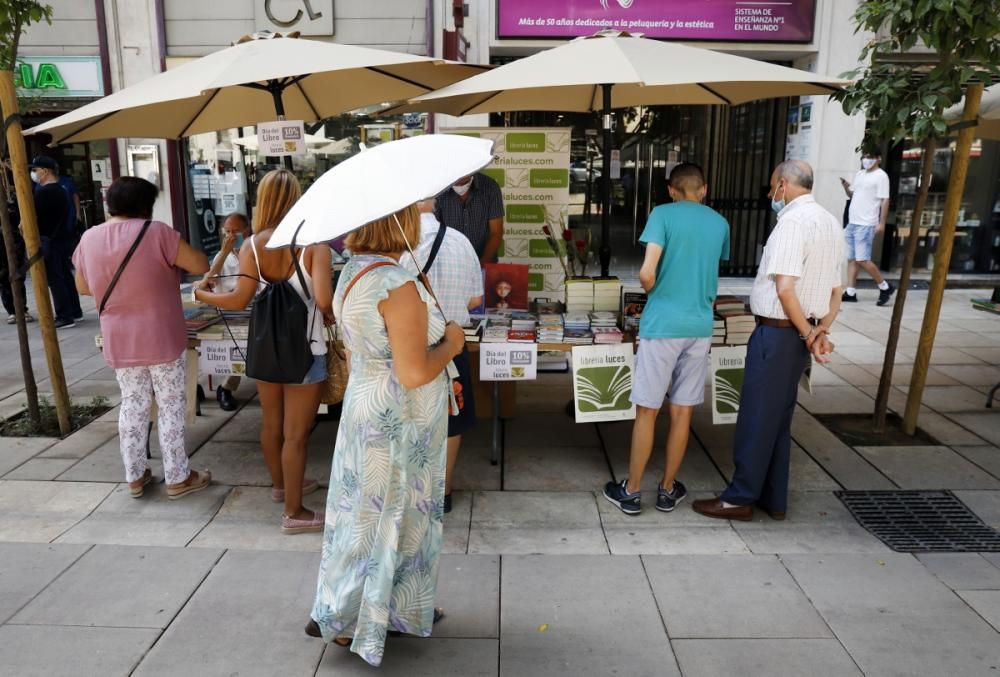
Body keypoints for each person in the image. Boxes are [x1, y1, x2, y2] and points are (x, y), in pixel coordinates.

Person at [305, 204, 465, 665]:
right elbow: (414, 371)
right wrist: (452, 342)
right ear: (398, 222)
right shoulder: (396, 285)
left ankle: (350, 611)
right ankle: (363, 617)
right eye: (413, 212)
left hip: (366, 409)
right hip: (400, 423)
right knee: (395, 512)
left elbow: (365, 353)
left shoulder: (354, 272)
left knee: (361, 514)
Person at [693, 160, 841, 522]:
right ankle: (773, 498)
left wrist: (809, 334)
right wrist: (821, 329)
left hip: (778, 333)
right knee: (777, 419)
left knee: (758, 417)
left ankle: (740, 497)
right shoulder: (829, 220)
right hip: (800, 332)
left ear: (784, 184)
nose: (769, 193)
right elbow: (837, 287)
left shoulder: (792, 223)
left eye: (772, 185)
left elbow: (785, 287)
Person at [194, 170, 330, 534]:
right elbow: (324, 301)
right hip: (307, 348)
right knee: (297, 434)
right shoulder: (314, 244)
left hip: (266, 348)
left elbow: (239, 300)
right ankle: (294, 512)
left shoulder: (251, 246)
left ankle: (282, 486)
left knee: (272, 425)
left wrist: (202, 293)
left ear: (263, 201)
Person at [602, 163, 730, 515]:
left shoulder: (661, 214)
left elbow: (646, 272)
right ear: (703, 189)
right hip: (699, 325)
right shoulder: (719, 223)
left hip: (662, 325)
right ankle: (668, 488)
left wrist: (656, 292)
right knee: (682, 411)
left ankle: (630, 490)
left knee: (647, 410)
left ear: (671, 189)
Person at [73, 177, 212, 499]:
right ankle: (178, 476)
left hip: (119, 336)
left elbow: (83, 287)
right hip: (161, 334)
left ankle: (135, 475)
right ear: (146, 204)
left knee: (132, 403)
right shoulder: (158, 232)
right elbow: (199, 264)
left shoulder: (89, 238)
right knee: (170, 405)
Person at [401, 199, 484, 513]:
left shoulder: (397, 246)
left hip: (409, 348)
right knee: (452, 423)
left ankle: (413, 489)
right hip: (453, 346)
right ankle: (443, 492)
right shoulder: (461, 241)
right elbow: (475, 298)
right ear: (434, 203)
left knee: (410, 419)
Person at [201, 213, 252, 411]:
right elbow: (208, 281)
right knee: (233, 345)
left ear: (246, 231)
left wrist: (241, 254)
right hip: (227, 311)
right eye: (228, 232)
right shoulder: (221, 257)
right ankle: (226, 389)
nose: (232, 235)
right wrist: (224, 253)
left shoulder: (253, 252)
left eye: (236, 232)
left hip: (250, 309)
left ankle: (227, 386)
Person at [30, 156, 81, 328]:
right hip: (60, 238)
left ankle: (64, 315)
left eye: (35, 170)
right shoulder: (60, 189)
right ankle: (74, 311)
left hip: (50, 240)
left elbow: (34, 217)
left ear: (44, 171)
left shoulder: (45, 192)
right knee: (65, 275)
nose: (34, 174)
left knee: (55, 278)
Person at [840, 149, 895, 306]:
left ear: (879, 158)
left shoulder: (881, 176)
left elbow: (885, 200)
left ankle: (885, 286)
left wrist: (882, 222)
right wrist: (846, 187)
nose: (866, 160)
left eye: (870, 157)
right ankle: (850, 292)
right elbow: (853, 195)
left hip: (866, 223)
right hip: (853, 222)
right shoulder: (860, 174)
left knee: (862, 259)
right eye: (864, 157)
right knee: (852, 259)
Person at [434, 172, 504, 264]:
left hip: (484, 265)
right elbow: (434, 233)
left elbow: (496, 232)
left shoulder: (490, 187)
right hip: (449, 265)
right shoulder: (437, 189)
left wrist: (481, 265)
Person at [1, 189, 33, 324]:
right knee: (3, 278)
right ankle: (12, 311)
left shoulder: (13, 201)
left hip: (15, 244)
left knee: (18, 276)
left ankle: (22, 308)